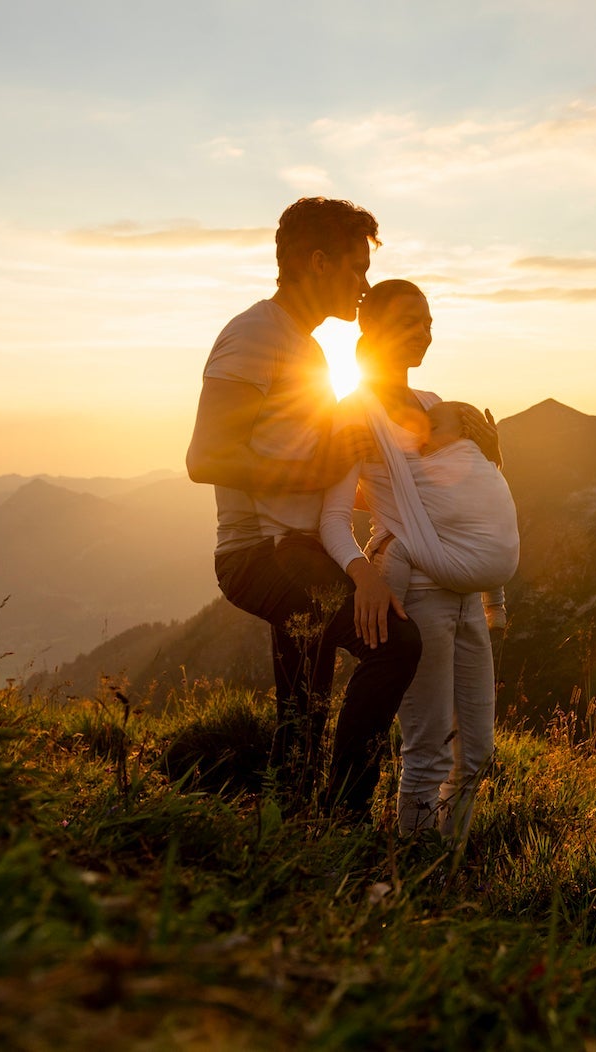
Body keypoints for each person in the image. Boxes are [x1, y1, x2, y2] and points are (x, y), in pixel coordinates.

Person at [186, 198, 422, 818]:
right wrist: (315, 469)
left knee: (305, 707)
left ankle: (292, 820)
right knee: (395, 645)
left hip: (298, 547)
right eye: (356, 268)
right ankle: (345, 816)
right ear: (318, 262)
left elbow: (304, 469)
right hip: (261, 552)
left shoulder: (306, 349)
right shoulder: (254, 333)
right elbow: (205, 456)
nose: (364, 285)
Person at [319, 279, 516, 838]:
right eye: (409, 321)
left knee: (476, 752)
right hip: (419, 596)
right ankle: (416, 866)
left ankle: (448, 856)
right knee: (427, 748)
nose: (423, 333)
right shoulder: (354, 413)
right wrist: (364, 577)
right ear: (372, 330)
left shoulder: (434, 405)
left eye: (428, 321)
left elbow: (466, 491)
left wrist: (492, 453)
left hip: (466, 595)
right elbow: (333, 518)